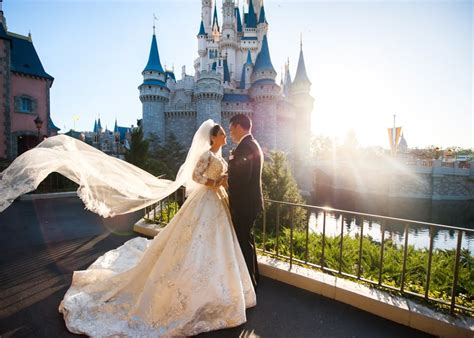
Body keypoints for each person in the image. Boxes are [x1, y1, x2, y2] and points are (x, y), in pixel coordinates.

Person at [0, 120, 256, 337]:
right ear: (214, 137)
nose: (227, 136)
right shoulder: (206, 155)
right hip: (206, 201)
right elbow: (196, 178)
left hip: (217, 204)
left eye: (227, 132)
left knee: (216, 246)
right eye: (224, 133)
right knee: (197, 244)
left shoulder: (221, 155)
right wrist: (216, 181)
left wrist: (224, 181)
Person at [227, 114, 264, 289]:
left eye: (231, 129)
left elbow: (242, 177)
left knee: (243, 242)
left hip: (244, 205)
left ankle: (249, 283)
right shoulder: (252, 144)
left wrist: (226, 179)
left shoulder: (244, 147)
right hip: (251, 203)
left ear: (239, 127)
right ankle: (254, 276)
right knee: (247, 240)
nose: (230, 133)